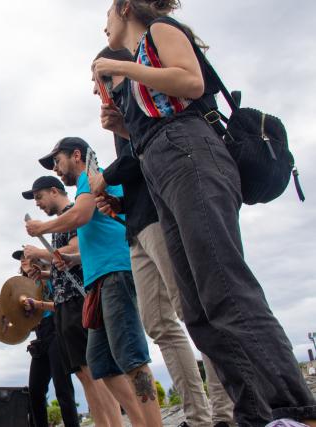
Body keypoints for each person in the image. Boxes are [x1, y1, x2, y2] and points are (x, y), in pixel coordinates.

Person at [94, 1, 316, 425]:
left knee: (225, 287)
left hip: (191, 156)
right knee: (197, 308)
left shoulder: (160, 30)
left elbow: (190, 82)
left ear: (124, 8)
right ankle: (255, 414)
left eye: (106, 16)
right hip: (164, 165)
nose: (104, 27)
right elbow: (160, 116)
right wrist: (122, 127)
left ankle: (295, 410)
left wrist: (126, 72)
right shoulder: (142, 57)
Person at [90, 46, 234, 427]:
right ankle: (197, 415)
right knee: (158, 324)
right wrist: (118, 207)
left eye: (95, 80)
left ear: (111, 74)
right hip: (136, 225)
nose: (93, 91)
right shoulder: (121, 113)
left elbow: (151, 146)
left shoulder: (142, 96)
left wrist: (107, 177)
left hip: (160, 218)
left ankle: (224, 411)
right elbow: (141, 162)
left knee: (194, 313)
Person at [26, 137, 162, 426]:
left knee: (131, 355)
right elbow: (90, 232)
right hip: (96, 281)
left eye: (57, 161)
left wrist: (42, 227)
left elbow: (81, 215)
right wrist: (72, 261)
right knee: (99, 359)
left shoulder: (90, 176)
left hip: (114, 272)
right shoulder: (85, 189)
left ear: (76, 155)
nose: (57, 169)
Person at [21, 176, 123, 427]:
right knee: (83, 373)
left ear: (54, 191)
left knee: (95, 371)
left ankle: (114, 424)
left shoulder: (72, 214)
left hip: (80, 299)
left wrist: (38, 253)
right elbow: (64, 263)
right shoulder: (60, 223)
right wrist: (44, 273)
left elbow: (74, 249)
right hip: (64, 301)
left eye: (39, 197)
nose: (38, 204)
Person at [11, 246, 80, 427]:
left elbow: (61, 305)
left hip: (56, 331)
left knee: (63, 389)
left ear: (37, 260)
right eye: (21, 259)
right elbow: (20, 322)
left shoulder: (48, 277)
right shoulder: (19, 288)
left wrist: (38, 304)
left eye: (26, 257)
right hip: (40, 337)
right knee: (35, 391)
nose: (23, 260)